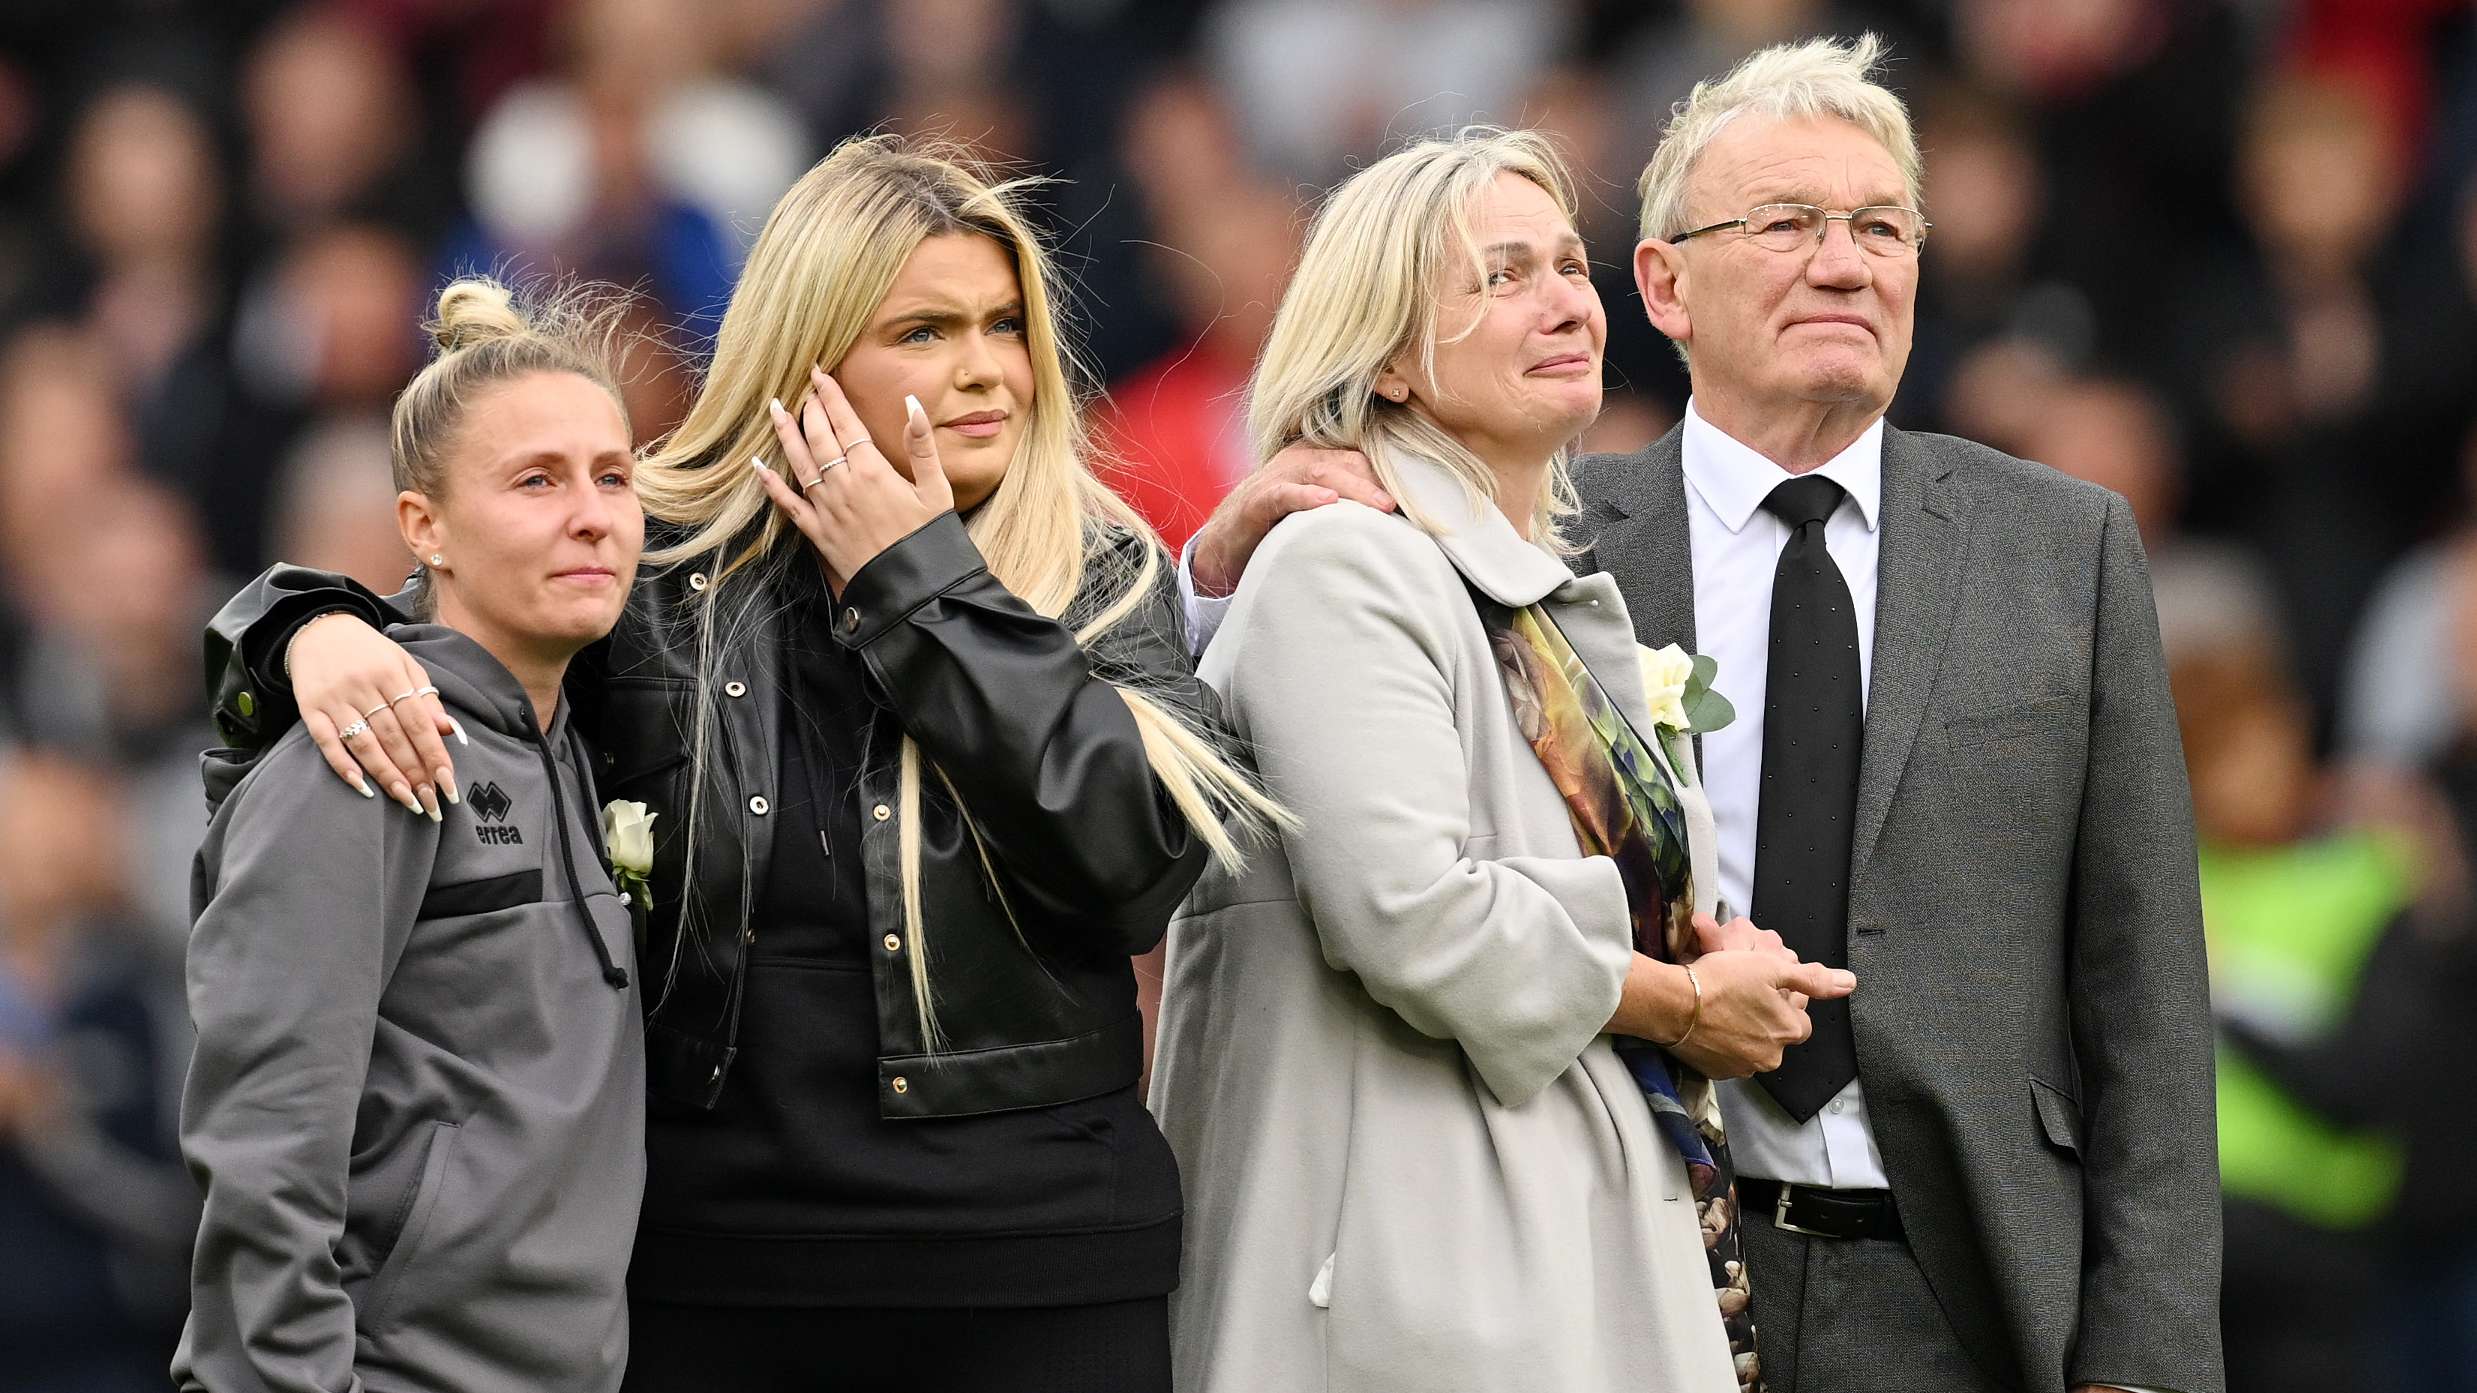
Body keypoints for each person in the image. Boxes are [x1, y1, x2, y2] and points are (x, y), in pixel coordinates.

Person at [1182, 36, 2221, 1393]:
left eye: (1880, 229)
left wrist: (2141, 1360)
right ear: (1665, 285)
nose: (1843, 263)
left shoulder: (2058, 549)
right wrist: (1219, 574)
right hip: (1619, 1259)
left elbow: (2145, 989)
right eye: (1787, 223)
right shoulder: (1525, 547)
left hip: (1968, 1286)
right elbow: (1333, 794)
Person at [199, 135, 1279, 1393]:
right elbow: (437, 643)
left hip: (1040, 1272)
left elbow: (1139, 861)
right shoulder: (650, 564)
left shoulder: (1100, 570)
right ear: (808, 354)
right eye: (924, 332)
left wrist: (921, 587)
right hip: (709, 1276)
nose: (985, 368)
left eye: (1003, 326)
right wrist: (299, 629)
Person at [1151, 127, 1852, 1393]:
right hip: (1408, 1288)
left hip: (1556, 1246)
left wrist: (1705, 943)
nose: (1564, 302)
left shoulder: (1538, 599)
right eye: (1501, 276)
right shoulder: (1343, 563)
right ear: (1387, 359)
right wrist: (1677, 999)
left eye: (1570, 266)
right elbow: (1412, 912)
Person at [175, 277, 647, 1392]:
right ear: (422, 527)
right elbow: (266, 1145)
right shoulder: (361, 758)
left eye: (613, 476)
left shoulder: (582, 743)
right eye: (536, 480)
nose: (590, 513)